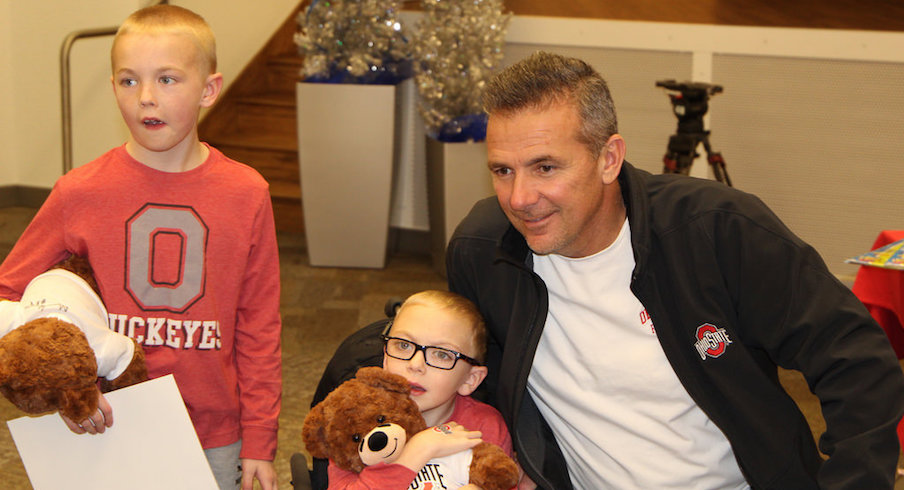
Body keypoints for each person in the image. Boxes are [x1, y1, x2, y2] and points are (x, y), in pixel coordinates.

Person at [446, 51, 904, 489]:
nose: (520, 198)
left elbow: (857, 361)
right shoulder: (483, 252)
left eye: (545, 167)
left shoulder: (718, 230)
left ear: (608, 159)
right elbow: (462, 371)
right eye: (503, 171)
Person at [0, 5, 281, 489]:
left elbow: (259, 325)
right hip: (105, 421)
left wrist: (259, 436)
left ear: (209, 90)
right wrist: (68, 385)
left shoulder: (246, 193)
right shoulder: (79, 191)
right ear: (113, 89)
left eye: (168, 79)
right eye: (129, 82)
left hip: (213, 431)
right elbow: (10, 294)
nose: (146, 98)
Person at [326, 290, 514, 489]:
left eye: (441, 354)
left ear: (470, 379)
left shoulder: (484, 427)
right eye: (403, 345)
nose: (416, 364)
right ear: (386, 358)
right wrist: (418, 451)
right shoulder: (356, 419)